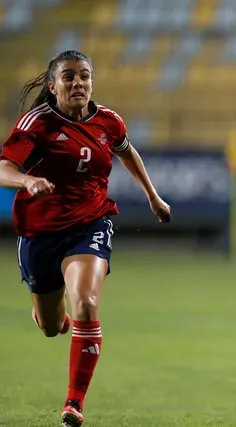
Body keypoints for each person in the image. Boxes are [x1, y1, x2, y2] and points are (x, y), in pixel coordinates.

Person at [0, 50, 171, 427]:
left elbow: (128, 153)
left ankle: (73, 403)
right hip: (40, 231)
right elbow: (4, 168)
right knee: (50, 327)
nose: (78, 83)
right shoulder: (38, 123)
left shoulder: (108, 121)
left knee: (87, 302)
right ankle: (51, 311)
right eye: (68, 77)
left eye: (84, 76)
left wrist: (152, 196)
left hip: (90, 223)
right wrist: (27, 180)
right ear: (53, 85)